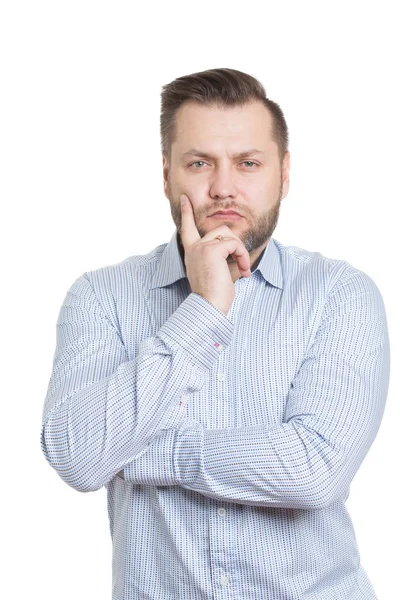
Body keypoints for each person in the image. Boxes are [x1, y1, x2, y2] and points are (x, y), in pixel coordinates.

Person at [41, 67, 390, 600]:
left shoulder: (339, 295)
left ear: (284, 173)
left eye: (248, 163)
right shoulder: (100, 297)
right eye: (200, 163)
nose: (224, 187)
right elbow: (76, 455)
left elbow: (314, 471)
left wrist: (142, 454)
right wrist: (202, 310)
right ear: (166, 175)